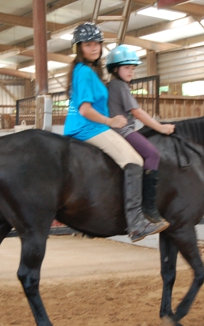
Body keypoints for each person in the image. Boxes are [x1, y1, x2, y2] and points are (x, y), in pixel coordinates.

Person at [63, 23, 169, 242]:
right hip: (89, 127)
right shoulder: (84, 72)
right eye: (88, 44)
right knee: (134, 160)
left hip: (90, 126)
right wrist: (110, 120)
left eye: (97, 44)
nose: (94, 48)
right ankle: (136, 224)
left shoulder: (89, 70)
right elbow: (85, 109)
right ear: (79, 48)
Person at [105, 45, 175, 224]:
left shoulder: (115, 85)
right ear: (115, 69)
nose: (131, 72)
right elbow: (137, 112)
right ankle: (149, 206)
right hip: (121, 131)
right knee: (152, 154)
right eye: (127, 68)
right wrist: (160, 127)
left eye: (133, 68)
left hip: (123, 129)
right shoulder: (119, 86)